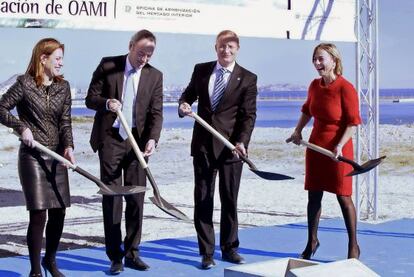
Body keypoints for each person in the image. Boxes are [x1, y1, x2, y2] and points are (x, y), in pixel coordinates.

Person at [85, 29, 163, 274]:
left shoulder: (155, 76)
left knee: (137, 199)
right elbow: (90, 98)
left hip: (137, 144)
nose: (144, 59)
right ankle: (115, 256)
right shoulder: (109, 65)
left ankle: (132, 253)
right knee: (113, 199)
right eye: (141, 53)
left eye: (149, 55)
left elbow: (156, 113)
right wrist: (107, 103)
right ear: (131, 46)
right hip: (110, 140)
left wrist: (152, 139)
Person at [178, 30, 257, 269]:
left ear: (237, 49)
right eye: (222, 46)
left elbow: (248, 116)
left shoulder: (248, 78)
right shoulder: (201, 70)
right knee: (203, 199)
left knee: (229, 200)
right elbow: (187, 96)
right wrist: (183, 105)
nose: (226, 50)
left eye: (231, 47)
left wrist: (242, 142)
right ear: (216, 47)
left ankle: (230, 248)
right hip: (203, 146)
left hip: (231, 149)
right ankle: (207, 252)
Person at [0, 38, 74, 277]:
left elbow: (65, 122)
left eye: (62, 58)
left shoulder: (64, 87)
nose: (61, 63)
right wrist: (21, 127)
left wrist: (69, 148)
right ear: (43, 58)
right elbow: (1, 108)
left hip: (56, 157)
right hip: (32, 157)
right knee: (39, 213)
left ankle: (50, 260)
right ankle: (35, 270)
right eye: (58, 58)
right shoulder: (24, 83)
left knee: (60, 212)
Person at [286, 43, 362, 260]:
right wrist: (298, 131)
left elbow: (353, 123)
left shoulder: (346, 88)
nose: (317, 63)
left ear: (334, 60)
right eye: (315, 59)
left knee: (343, 196)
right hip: (316, 146)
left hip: (339, 148)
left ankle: (353, 246)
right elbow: (307, 111)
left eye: (321, 59)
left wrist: (339, 145)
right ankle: (312, 241)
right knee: (314, 196)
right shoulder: (314, 85)